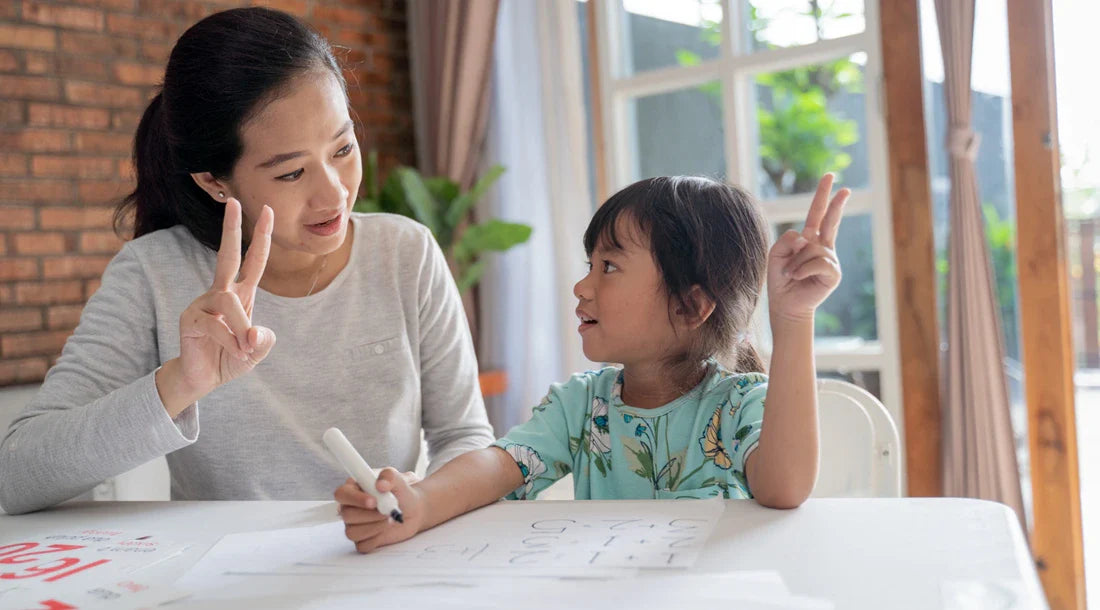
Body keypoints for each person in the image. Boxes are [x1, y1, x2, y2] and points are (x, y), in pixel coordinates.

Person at [0, 7, 494, 515]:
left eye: (343, 148)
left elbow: (464, 434)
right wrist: (181, 383)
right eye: (291, 173)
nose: (334, 193)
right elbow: (15, 476)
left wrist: (422, 497)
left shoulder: (404, 253)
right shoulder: (155, 273)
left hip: (383, 563)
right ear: (214, 182)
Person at [335, 173, 849, 553]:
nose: (582, 287)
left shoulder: (737, 405)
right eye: (589, 265)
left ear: (690, 305)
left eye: (609, 266)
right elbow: (498, 466)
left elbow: (784, 489)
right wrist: (419, 502)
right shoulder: (583, 405)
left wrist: (794, 317)